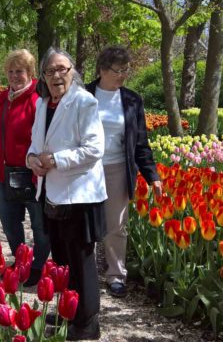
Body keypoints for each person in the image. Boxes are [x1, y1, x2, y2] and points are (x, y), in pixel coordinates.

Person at [27, 47, 106, 340]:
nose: (57, 75)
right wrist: (31, 159)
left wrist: (56, 160)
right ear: (44, 77)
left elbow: (94, 149)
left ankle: (88, 323)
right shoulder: (42, 104)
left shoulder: (84, 102)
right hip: (50, 193)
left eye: (62, 68)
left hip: (80, 196)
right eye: (50, 70)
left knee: (80, 260)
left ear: (72, 71)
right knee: (61, 259)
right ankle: (68, 311)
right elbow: (36, 143)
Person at [86, 46, 162, 298]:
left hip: (118, 167)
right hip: (85, 168)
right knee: (82, 222)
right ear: (102, 70)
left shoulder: (131, 100)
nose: (123, 76)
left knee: (116, 224)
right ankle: (82, 273)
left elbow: (140, 143)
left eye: (126, 70)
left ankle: (116, 275)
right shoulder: (83, 94)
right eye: (118, 71)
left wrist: (152, 176)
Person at [0, 49, 50, 287]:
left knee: (40, 225)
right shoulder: (2, 99)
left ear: (30, 73)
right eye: (10, 71)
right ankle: (21, 260)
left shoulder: (37, 100)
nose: (14, 76)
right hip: (5, 174)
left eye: (19, 71)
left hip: (32, 176)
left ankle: (38, 265)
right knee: (10, 223)